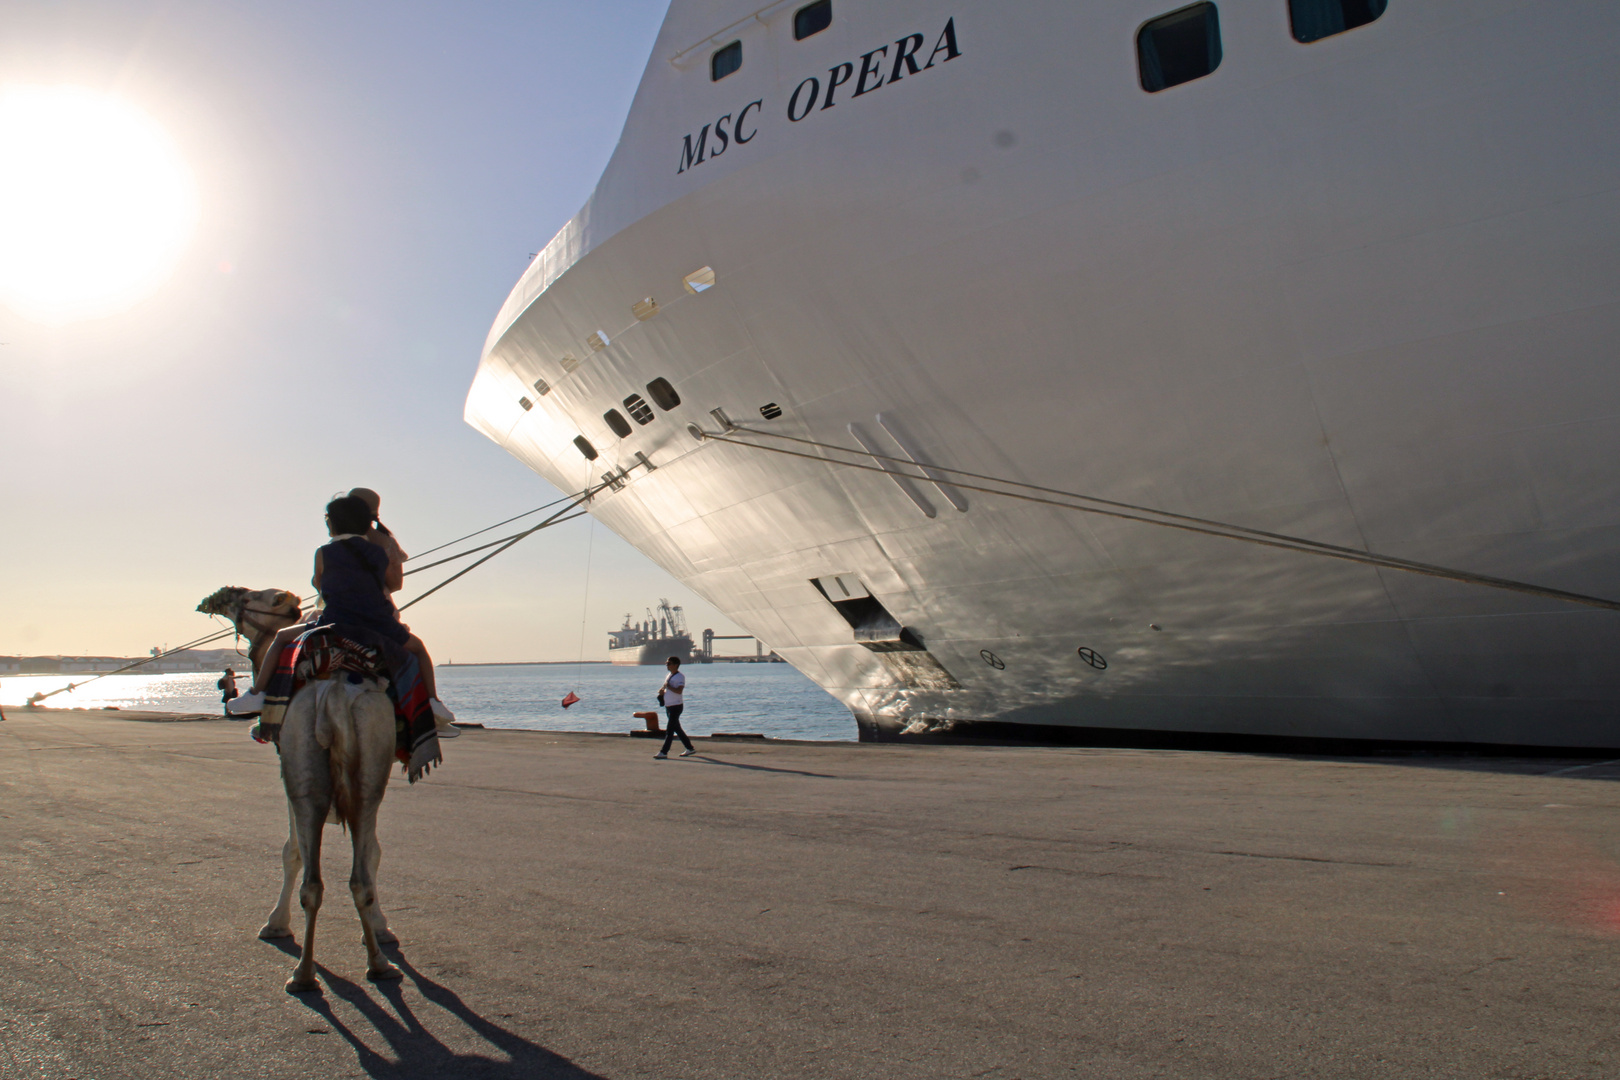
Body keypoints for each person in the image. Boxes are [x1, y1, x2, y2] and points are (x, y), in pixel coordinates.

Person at [229, 495, 457, 735]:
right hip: (379, 625)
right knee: (419, 650)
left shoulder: (323, 553)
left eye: (328, 519)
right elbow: (387, 583)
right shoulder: (379, 552)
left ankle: (259, 695)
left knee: (281, 639)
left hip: (337, 623)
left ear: (335, 522)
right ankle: (432, 703)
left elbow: (319, 584)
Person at [654, 656, 694, 759]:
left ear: (675, 665)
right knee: (677, 729)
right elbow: (666, 687)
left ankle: (664, 752)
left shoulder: (680, 677)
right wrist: (662, 692)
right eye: (666, 663)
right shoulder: (669, 675)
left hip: (676, 706)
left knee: (670, 730)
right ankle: (689, 748)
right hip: (669, 706)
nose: (667, 665)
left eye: (669, 663)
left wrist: (669, 687)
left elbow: (679, 691)